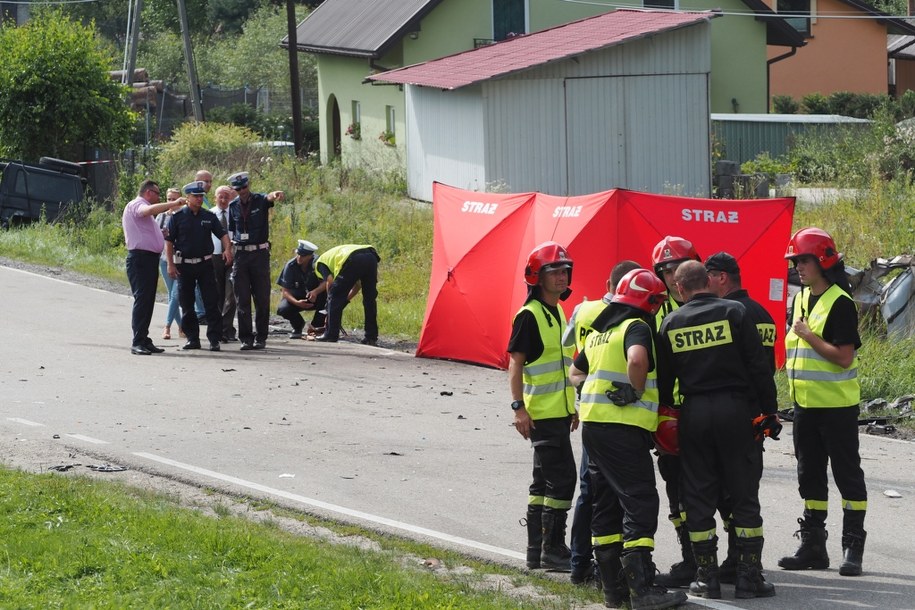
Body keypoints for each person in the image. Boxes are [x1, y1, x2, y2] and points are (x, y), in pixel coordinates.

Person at [656, 260, 778, 600]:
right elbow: (759, 368)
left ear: (679, 288)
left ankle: (707, 579)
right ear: (708, 282)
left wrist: (667, 415)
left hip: (694, 414)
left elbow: (665, 383)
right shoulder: (735, 313)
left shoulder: (670, 322)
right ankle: (748, 577)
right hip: (737, 411)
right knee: (743, 492)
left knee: (697, 494)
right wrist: (769, 411)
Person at [569, 268, 687, 610]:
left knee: (605, 504)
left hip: (594, 428)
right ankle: (643, 590)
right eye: (655, 302)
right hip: (622, 429)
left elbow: (576, 372)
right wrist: (635, 390)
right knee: (640, 501)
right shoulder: (636, 327)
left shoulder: (599, 333)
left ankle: (613, 590)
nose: (656, 309)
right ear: (645, 301)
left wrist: (595, 389)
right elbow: (637, 359)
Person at [778, 227, 867, 577]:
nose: (798, 266)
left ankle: (852, 545)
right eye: (796, 261)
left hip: (837, 408)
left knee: (847, 475)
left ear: (823, 261)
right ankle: (814, 545)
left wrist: (809, 336)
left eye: (804, 260)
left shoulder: (840, 303)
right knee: (809, 475)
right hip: (805, 408)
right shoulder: (800, 300)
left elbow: (843, 358)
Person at [563, 259, 640, 586]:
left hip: (590, 407)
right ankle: (615, 568)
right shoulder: (632, 318)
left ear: (609, 282)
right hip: (621, 415)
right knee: (619, 496)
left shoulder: (584, 311)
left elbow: (569, 348)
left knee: (588, 492)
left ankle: (579, 563)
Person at [705, 251, 778, 583]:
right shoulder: (764, 313)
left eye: (708, 275)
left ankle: (739, 560)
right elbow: (768, 368)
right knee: (746, 491)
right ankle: (742, 560)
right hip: (754, 415)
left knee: (728, 493)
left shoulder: (729, 314)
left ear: (722, 277)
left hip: (731, 412)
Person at [507, 241, 578, 572]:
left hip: (559, 412)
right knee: (563, 479)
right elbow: (515, 364)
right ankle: (553, 549)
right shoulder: (529, 315)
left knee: (542, 483)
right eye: (554, 271)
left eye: (565, 270)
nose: (562, 276)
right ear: (538, 277)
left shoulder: (558, 311)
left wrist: (572, 406)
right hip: (541, 414)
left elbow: (562, 365)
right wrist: (518, 408)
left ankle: (536, 551)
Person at [649, 235, 701, 588]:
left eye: (675, 268)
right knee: (676, 490)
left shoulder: (707, 302)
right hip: (668, 414)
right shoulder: (651, 308)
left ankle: (724, 560)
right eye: (665, 270)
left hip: (700, 410)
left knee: (720, 490)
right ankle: (690, 558)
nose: (671, 275)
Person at [165, 181, 232, 352]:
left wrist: (228, 250)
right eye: (196, 196)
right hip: (184, 266)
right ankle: (192, 338)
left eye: (201, 196)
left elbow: (223, 234)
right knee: (187, 303)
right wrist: (171, 264)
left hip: (205, 265)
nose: (199, 199)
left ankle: (214, 339)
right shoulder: (177, 217)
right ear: (188, 197)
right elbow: (169, 242)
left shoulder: (208, 216)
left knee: (211, 302)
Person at [122, 179, 184, 355]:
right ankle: (137, 341)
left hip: (148, 259)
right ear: (148, 192)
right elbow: (147, 211)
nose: (159, 197)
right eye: (157, 193)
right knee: (143, 299)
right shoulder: (137, 204)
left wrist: (160, 233)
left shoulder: (144, 210)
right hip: (140, 259)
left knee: (148, 300)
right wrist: (173, 203)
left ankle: (144, 338)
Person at [227, 171, 284, 351]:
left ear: (248, 185)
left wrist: (274, 194)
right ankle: (246, 338)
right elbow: (230, 231)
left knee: (261, 298)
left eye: (244, 187)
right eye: (238, 189)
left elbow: (269, 198)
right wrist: (228, 250)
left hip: (259, 254)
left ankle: (261, 337)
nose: (242, 191)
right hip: (241, 255)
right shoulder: (233, 206)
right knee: (242, 299)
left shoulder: (259, 200)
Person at [307, 244, 380, 345]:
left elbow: (330, 282)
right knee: (369, 299)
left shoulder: (319, 264)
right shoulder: (333, 257)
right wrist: (343, 301)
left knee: (334, 296)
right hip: (371, 256)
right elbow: (358, 286)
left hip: (353, 258)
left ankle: (330, 334)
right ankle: (371, 337)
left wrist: (330, 305)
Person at [277, 240, 327, 339]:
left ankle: (317, 327)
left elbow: (326, 282)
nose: (299, 258)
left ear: (310, 256)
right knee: (283, 309)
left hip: (317, 297)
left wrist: (315, 292)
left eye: (303, 255)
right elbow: (285, 291)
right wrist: (297, 302)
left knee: (328, 301)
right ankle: (298, 326)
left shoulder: (318, 263)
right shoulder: (290, 266)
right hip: (298, 297)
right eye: (298, 254)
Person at [156, 188, 185, 340]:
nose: (171, 202)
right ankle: (181, 327)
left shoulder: (184, 216)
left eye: (175, 199)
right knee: (171, 294)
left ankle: (167, 327)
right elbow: (155, 236)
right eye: (169, 199)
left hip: (180, 260)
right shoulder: (160, 216)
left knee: (176, 294)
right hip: (163, 260)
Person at [211, 185, 238, 342]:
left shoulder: (235, 214)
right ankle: (222, 330)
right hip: (214, 257)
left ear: (231, 198)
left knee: (231, 294)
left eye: (226, 197)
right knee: (217, 295)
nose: (223, 200)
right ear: (215, 198)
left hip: (233, 256)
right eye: (220, 197)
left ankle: (225, 328)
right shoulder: (209, 214)